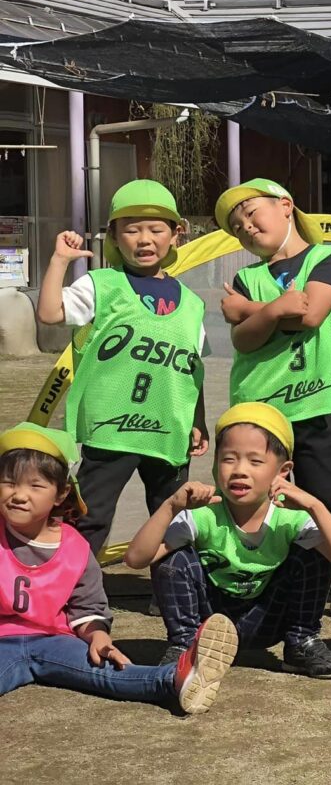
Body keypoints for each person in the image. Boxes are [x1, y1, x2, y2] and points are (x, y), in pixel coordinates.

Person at [215, 177, 331, 627]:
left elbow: (309, 313)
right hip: (257, 411)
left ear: (286, 206)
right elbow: (246, 341)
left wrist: (252, 311)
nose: (246, 227)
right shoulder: (247, 277)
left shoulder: (329, 258)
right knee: (259, 500)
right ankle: (273, 580)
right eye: (236, 226)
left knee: (324, 495)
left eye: (251, 213)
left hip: (316, 404)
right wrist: (269, 311)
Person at [0, 422, 236, 713]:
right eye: (9, 483)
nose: (19, 495)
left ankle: (176, 678)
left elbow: (87, 608)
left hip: (55, 641)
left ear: (60, 494)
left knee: (106, 669)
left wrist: (98, 635)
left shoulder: (75, 548)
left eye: (35, 485)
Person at [125, 403, 331, 679]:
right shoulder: (202, 514)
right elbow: (136, 559)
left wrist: (314, 506)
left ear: (283, 471)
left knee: (316, 551)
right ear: (214, 465)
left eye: (255, 461)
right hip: (209, 623)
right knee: (171, 557)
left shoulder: (290, 518)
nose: (239, 470)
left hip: (267, 619)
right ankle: (185, 646)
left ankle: (301, 643)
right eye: (228, 459)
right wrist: (170, 507)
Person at [36, 179, 207, 555]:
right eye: (131, 229)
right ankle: (74, 593)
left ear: (175, 235)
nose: (144, 239)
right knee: (90, 515)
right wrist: (60, 261)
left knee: (174, 519)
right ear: (113, 235)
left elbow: (192, 368)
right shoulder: (102, 285)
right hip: (110, 429)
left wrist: (198, 420)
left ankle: (174, 591)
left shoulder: (193, 304)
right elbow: (49, 312)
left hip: (168, 429)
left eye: (156, 229)